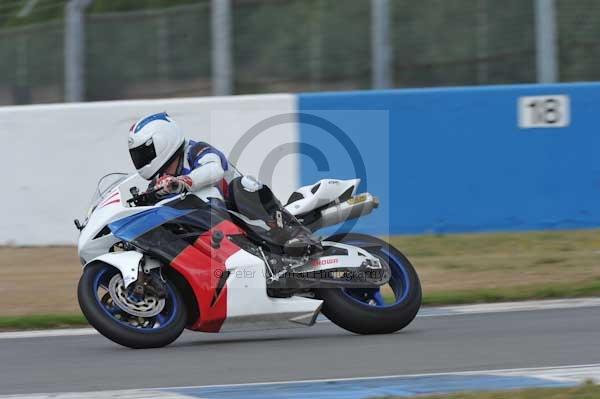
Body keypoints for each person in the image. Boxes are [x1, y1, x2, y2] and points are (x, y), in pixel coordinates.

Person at [127, 112, 229, 198]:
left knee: (238, 184)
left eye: (145, 152)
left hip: (231, 210)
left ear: (162, 141)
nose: (141, 158)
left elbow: (214, 170)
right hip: (200, 219)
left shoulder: (197, 150)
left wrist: (183, 182)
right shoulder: (158, 183)